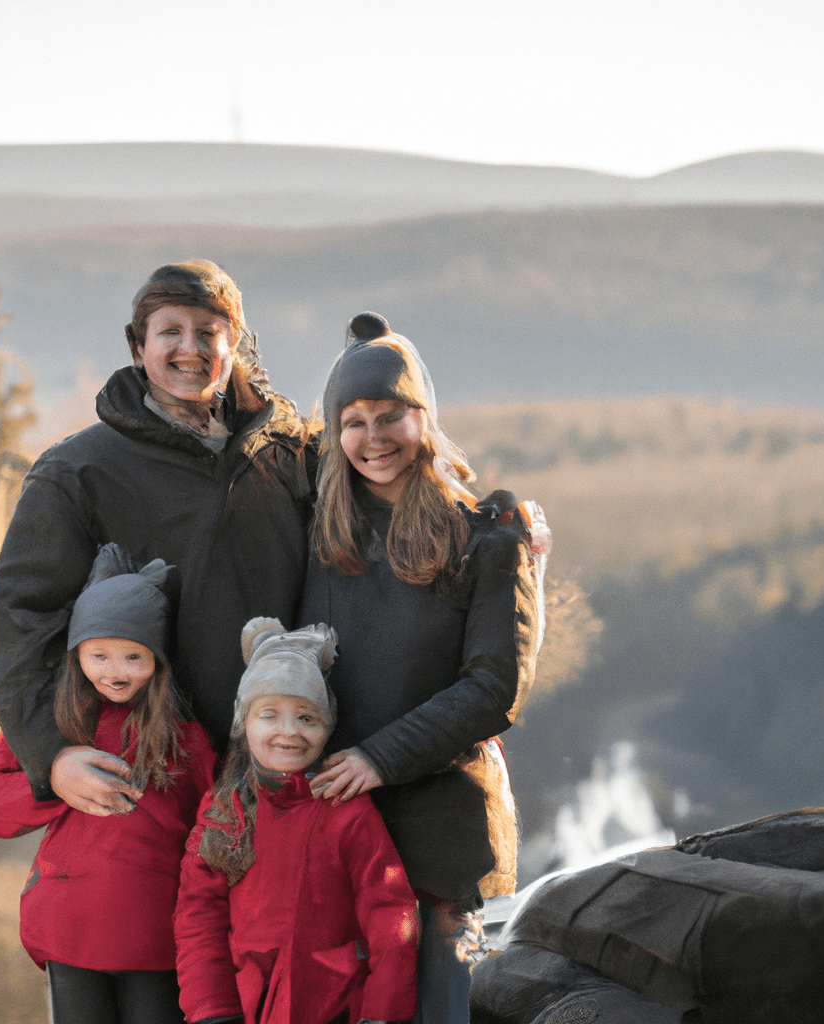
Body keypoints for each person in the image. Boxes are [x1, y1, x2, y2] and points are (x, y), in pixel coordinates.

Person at [0, 260, 315, 813]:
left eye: (209, 332)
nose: (191, 348)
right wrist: (53, 755)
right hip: (149, 774)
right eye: (170, 332)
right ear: (138, 346)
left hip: (283, 765)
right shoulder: (77, 472)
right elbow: (24, 618)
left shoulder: (286, 453)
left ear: (233, 343)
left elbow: (380, 497)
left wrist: (488, 526)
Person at [298, 312, 543, 1024]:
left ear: (423, 419)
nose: (373, 438)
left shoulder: (485, 540)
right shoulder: (318, 534)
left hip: (446, 840)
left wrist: (381, 757)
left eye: (391, 415)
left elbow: (496, 689)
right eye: (353, 420)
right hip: (340, 833)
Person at [0, 544, 215, 1024]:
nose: (114, 672)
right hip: (69, 931)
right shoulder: (47, 726)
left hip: (156, 936)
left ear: (158, 660)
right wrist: (51, 782)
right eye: (98, 655)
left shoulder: (185, 737)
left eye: (133, 657)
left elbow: (209, 828)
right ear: (76, 652)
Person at [173, 617, 419, 1024]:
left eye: (307, 718)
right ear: (243, 724)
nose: (289, 732)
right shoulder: (224, 808)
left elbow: (391, 912)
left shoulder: (346, 808)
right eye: (269, 715)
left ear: (327, 727)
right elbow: (198, 914)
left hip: (333, 1004)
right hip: (245, 1004)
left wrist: (383, 1014)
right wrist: (212, 1010)